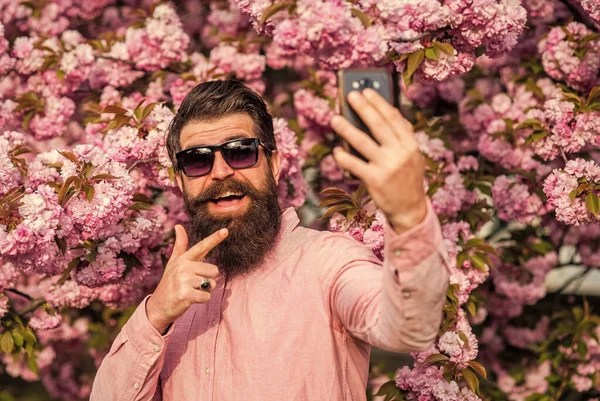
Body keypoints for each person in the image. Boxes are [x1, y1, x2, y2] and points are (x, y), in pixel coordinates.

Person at [89, 80, 450, 401]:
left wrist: (409, 214)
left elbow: (409, 327)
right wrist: (155, 316)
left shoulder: (328, 263)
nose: (220, 172)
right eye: (198, 161)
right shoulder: (175, 298)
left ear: (274, 165)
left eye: (240, 151)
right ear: (181, 180)